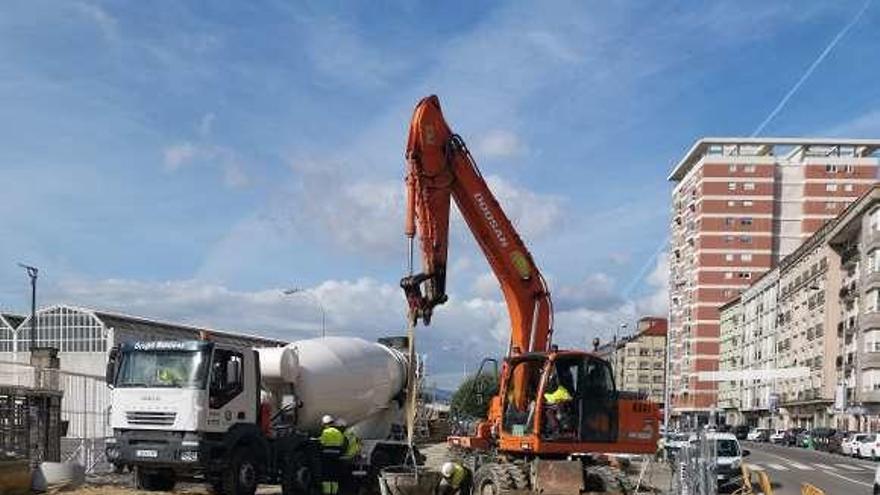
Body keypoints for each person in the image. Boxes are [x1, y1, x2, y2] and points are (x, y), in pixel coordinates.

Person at [318, 415, 347, 495]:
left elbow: (322, 442)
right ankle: (334, 492)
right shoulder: (338, 432)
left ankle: (327, 492)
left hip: (327, 457)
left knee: (326, 477)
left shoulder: (326, 432)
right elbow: (342, 443)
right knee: (334, 477)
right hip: (336, 457)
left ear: (325, 424)